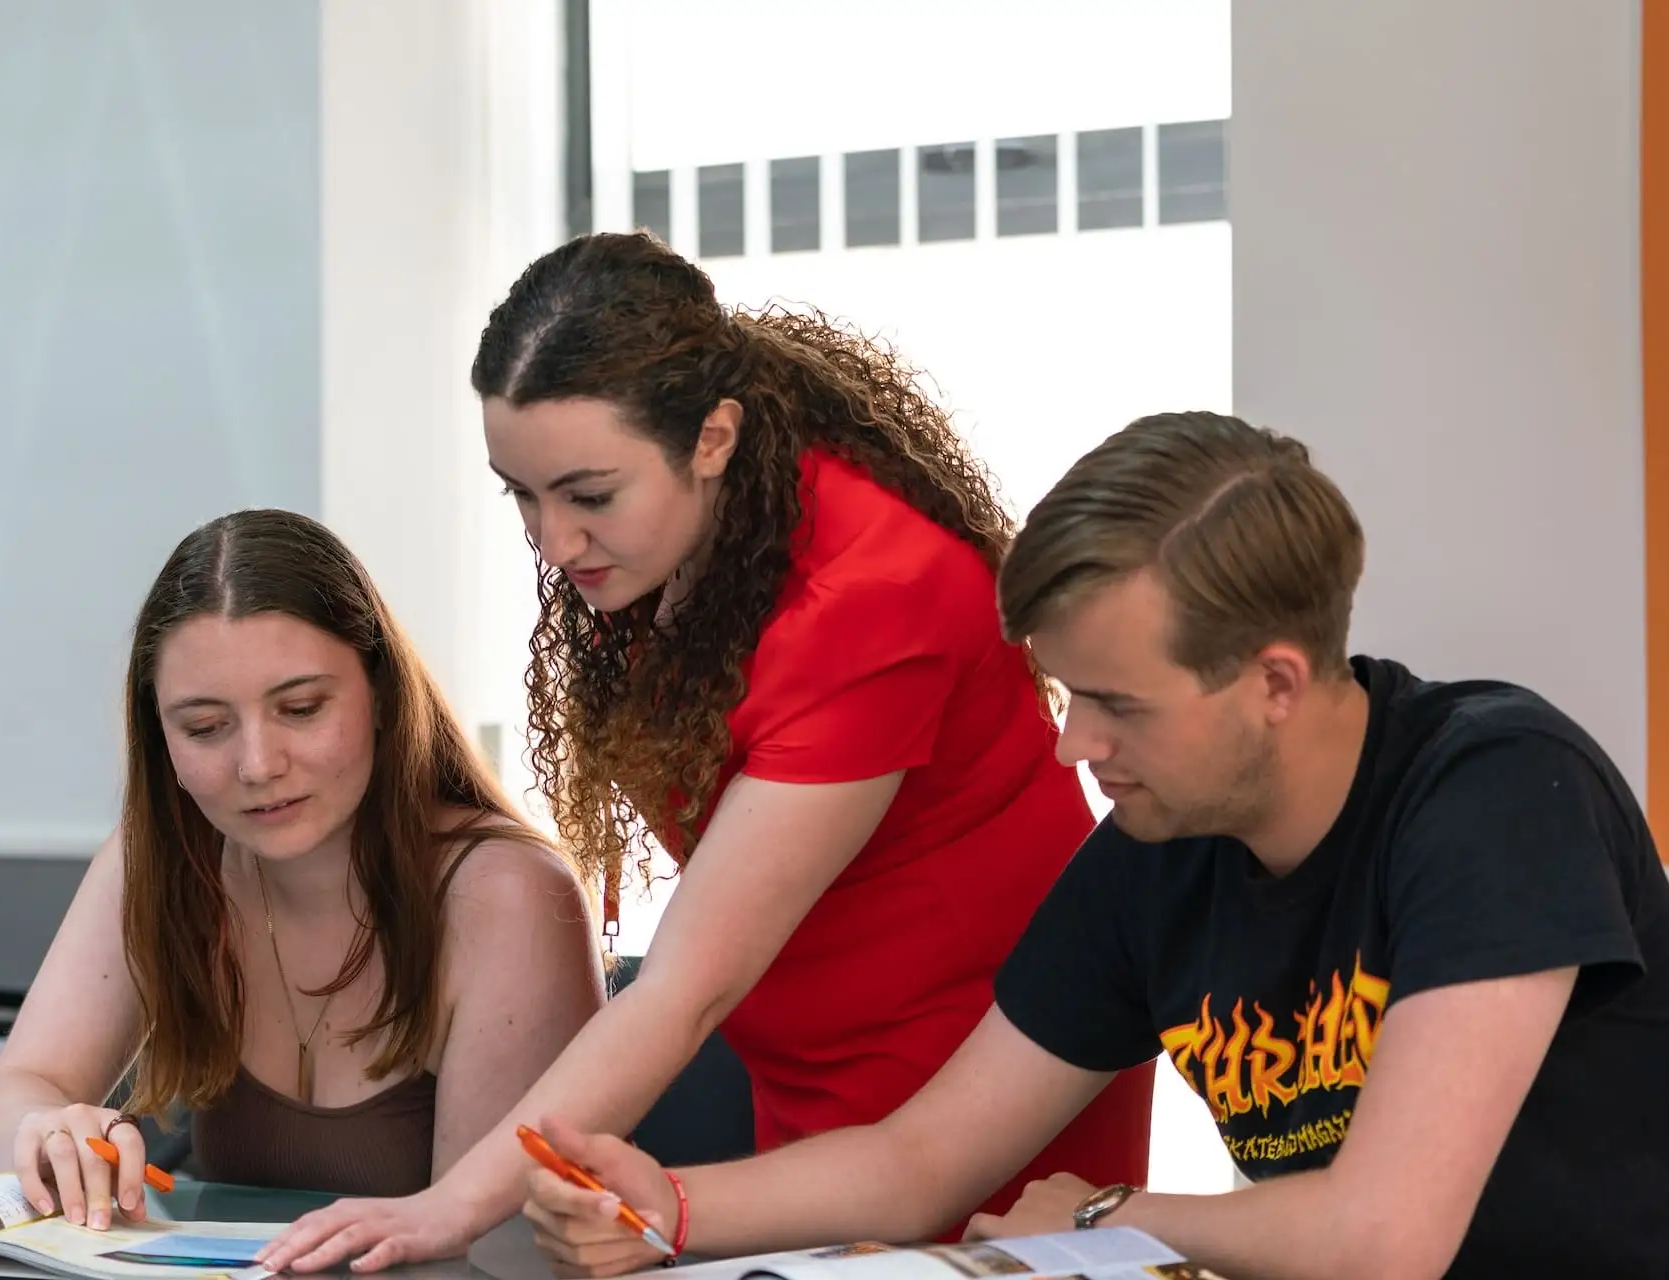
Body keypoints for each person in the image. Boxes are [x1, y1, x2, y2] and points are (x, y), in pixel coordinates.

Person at [518, 411, 1669, 1280]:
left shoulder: (1494, 791)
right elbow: (927, 1156)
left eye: (1119, 703)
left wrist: (1102, 1221)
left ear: (1272, 680)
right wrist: (670, 1209)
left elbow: (1384, 1238)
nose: (1076, 743)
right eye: (1069, 694)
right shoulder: (1159, 844)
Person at [254, 232, 1153, 1273]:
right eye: (522, 494)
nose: (553, 542)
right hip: (802, 1048)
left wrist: (445, 1207)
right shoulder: (693, 536)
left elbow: (684, 987)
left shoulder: (872, 599)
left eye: (589, 495)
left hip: (975, 1059)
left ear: (714, 436)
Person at [0, 509, 602, 1228]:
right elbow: (8, 1099)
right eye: (205, 728)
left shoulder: (506, 896)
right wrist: (44, 1131)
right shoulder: (158, 857)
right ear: (160, 737)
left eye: (300, 709)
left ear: (383, 694)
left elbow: (484, 1250)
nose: (259, 766)